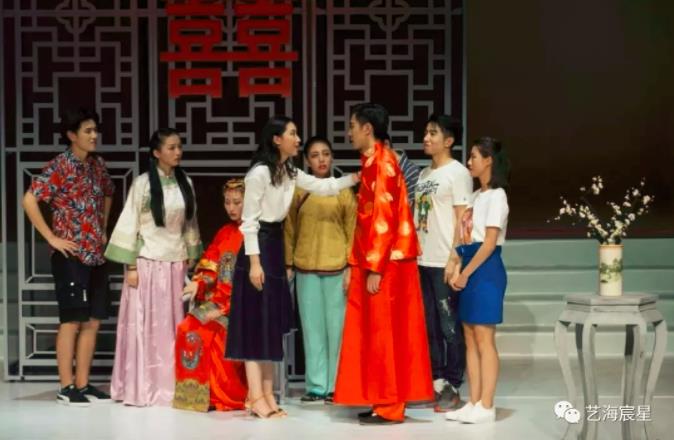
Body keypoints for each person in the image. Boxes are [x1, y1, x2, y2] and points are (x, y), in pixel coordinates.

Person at [225, 116, 359, 419]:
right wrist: (254, 264)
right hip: (258, 249)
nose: (298, 139)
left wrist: (357, 176)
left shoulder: (288, 171)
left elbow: (324, 186)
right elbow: (249, 222)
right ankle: (255, 397)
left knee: (269, 324)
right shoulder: (259, 173)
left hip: (274, 246)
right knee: (255, 325)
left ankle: (268, 396)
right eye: (293, 134)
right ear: (277, 140)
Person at [333, 103, 433, 425]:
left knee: (385, 332)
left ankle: (389, 404)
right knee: (375, 333)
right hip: (376, 259)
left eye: (352, 126)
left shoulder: (384, 163)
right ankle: (380, 399)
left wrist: (374, 267)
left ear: (367, 129)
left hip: (387, 263)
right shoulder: (371, 162)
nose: (349, 132)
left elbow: (383, 219)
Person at [23, 107, 114, 406]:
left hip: (96, 253)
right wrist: (51, 237)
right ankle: (66, 386)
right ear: (72, 135)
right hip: (70, 254)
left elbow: (108, 192)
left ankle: (83, 384)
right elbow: (29, 199)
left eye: (95, 130)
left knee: (92, 321)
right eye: (88, 131)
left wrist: (102, 228)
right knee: (72, 320)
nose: (94, 135)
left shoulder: (97, 165)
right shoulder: (59, 166)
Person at [105, 128, 202, 406]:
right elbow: (130, 223)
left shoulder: (186, 182)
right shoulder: (143, 184)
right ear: (157, 153)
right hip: (147, 263)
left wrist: (191, 254)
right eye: (171, 148)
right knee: (146, 327)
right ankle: (142, 386)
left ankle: (170, 385)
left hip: (175, 264)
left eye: (179, 147)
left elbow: (190, 223)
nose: (177, 152)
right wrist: (131, 266)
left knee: (172, 327)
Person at [283, 137, 357, 404]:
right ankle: (316, 386)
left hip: (337, 268)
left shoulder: (343, 191)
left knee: (337, 332)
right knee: (312, 331)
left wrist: (351, 266)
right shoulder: (298, 191)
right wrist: (288, 263)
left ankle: (337, 386)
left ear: (332, 157)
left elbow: (353, 231)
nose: (321, 159)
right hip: (306, 268)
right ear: (307, 161)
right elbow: (289, 229)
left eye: (326, 154)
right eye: (315, 155)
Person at [446, 137, 510, 424]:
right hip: (469, 265)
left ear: (488, 160)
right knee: (470, 337)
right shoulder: (474, 197)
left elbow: (489, 243)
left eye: (473, 156)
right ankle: (473, 401)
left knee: (484, 337)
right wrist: (456, 266)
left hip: (486, 270)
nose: (469, 161)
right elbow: (465, 238)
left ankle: (487, 404)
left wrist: (465, 273)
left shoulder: (498, 196)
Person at [173, 178, 248, 412]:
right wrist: (198, 283)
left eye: (237, 202)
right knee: (187, 327)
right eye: (227, 202)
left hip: (243, 305)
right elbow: (210, 264)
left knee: (215, 336)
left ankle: (221, 396)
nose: (231, 208)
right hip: (218, 301)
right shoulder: (224, 232)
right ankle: (195, 396)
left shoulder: (256, 233)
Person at [414, 114, 472, 412]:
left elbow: (464, 220)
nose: (426, 138)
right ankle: (436, 381)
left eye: (433, 133)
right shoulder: (424, 174)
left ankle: (453, 383)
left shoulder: (458, 173)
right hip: (422, 259)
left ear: (448, 140)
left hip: (444, 261)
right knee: (430, 325)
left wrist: (454, 259)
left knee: (450, 326)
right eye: (426, 132)